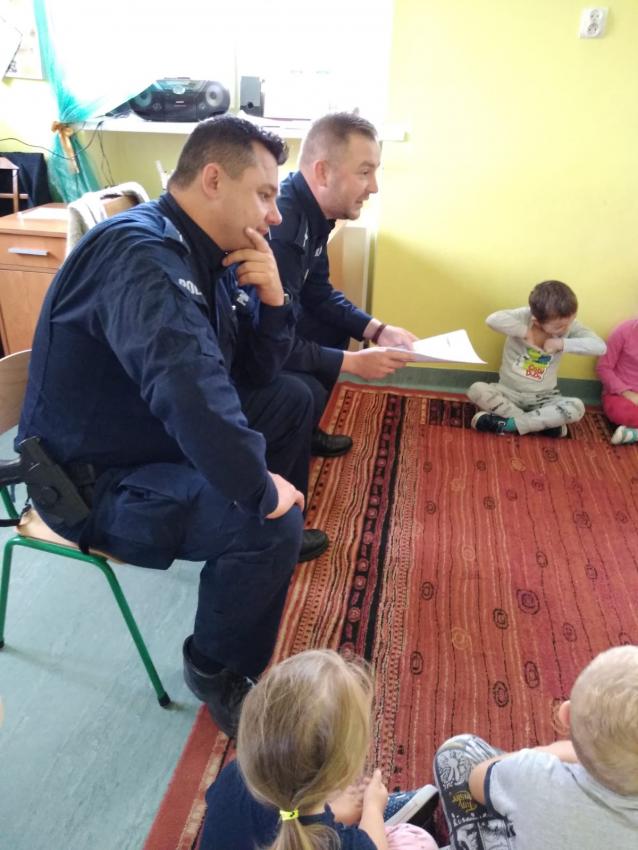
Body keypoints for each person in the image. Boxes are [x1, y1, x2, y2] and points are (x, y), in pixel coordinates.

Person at [16, 115, 328, 736]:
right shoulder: (143, 258)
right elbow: (193, 395)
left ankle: (260, 550)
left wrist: (273, 302)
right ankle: (217, 669)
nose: (274, 215)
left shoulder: (208, 253)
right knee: (267, 520)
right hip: (93, 483)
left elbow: (252, 373)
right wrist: (259, 490)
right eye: (264, 195)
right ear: (213, 180)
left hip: (148, 437)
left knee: (290, 401)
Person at [269, 112, 416, 458]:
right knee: (306, 390)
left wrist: (378, 330)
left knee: (335, 326)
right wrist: (352, 363)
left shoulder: (316, 214)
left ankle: (304, 431)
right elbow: (272, 340)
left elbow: (319, 294)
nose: (374, 187)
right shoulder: (282, 231)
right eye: (365, 172)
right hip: (250, 348)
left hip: (275, 329)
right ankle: (280, 453)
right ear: (323, 172)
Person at [200, 649, 439, 850]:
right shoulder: (338, 843)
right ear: (343, 771)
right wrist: (373, 808)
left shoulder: (235, 774)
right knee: (418, 841)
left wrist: (332, 813)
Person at [432, 645, 638, 850]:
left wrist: (554, 751)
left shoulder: (536, 771)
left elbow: (477, 780)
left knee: (455, 752)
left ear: (566, 715)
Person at [468, 280, 606, 437]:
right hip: (507, 393)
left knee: (577, 407)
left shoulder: (569, 326)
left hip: (544, 399)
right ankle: (540, 425)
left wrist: (562, 343)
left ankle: (509, 425)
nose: (566, 328)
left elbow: (600, 347)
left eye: (570, 321)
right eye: (558, 327)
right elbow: (493, 319)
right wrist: (524, 332)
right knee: (476, 389)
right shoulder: (523, 317)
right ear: (536, 321)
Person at [596, 317, 638, 445]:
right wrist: (628, 394)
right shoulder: (624, 331)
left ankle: (633, 434)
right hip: (620, 394)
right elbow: (603, 368)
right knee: (623, 413)